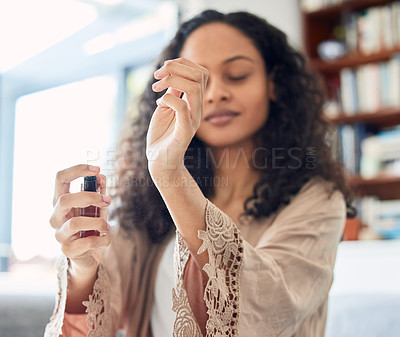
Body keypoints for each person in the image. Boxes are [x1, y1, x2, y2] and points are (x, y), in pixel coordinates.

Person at [45, 9, 355, 337]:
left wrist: (170, 174)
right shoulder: (149, 204)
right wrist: (82, 263)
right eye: (198, 80)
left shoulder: (318, 201)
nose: (215, 93)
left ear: (274, 84)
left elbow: (263, 314)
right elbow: (95, 314)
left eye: (237, 75)